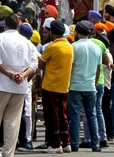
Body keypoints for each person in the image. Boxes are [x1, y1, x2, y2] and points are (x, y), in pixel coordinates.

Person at [0, 15, 39, 157]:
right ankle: (8, 153)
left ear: (5, 25)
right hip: (19, 86)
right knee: (12, 122)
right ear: (18, 26)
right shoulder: (27, 42)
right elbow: (34, 64)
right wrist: (22, 75)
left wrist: (11, 74)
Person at [38, 20, 73, 153]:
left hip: (51, 85)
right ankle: (66, 143)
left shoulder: (51, 47)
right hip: (64, 85)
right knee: (63, 115)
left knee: (52, 116)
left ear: (52, 33)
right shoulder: (69, 47)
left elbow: (41, 64)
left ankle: (55, 144)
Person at [68, 22, 103, 152]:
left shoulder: (74, 47)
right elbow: (99, 68)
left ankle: (74, 144)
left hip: (76, 86)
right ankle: (96, 144)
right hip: (90, 86)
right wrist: (94, 83)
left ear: (79, 33)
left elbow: (70, 67)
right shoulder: (96, 48)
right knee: (91, 115)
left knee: (75, 116)